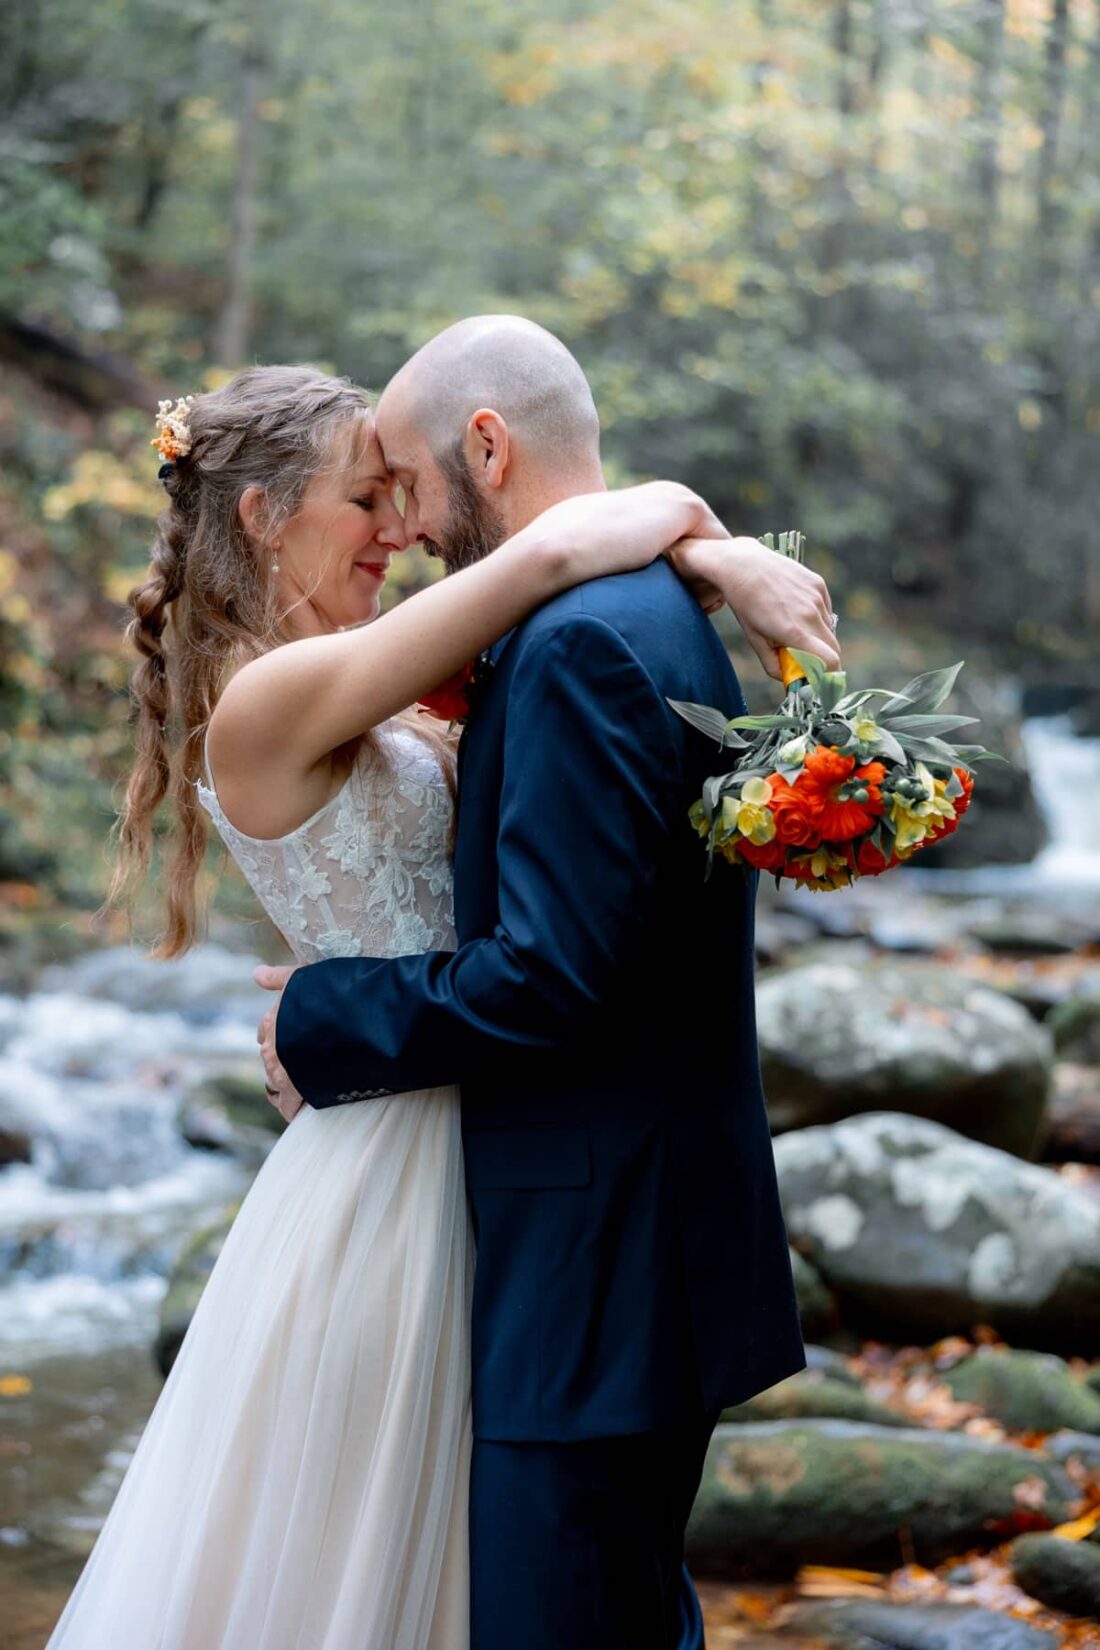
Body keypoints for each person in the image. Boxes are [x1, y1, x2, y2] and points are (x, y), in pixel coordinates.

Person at [47, 357, 837, 1650]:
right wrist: (713, 548)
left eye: (400, 490)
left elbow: (568, 552)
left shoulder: (378, 669)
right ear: (262, 517)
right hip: (395, 1176)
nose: (400, 528)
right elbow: (549, 554)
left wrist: (717, 560)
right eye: (369, 497)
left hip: (493, 1158)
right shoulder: (268, 697)